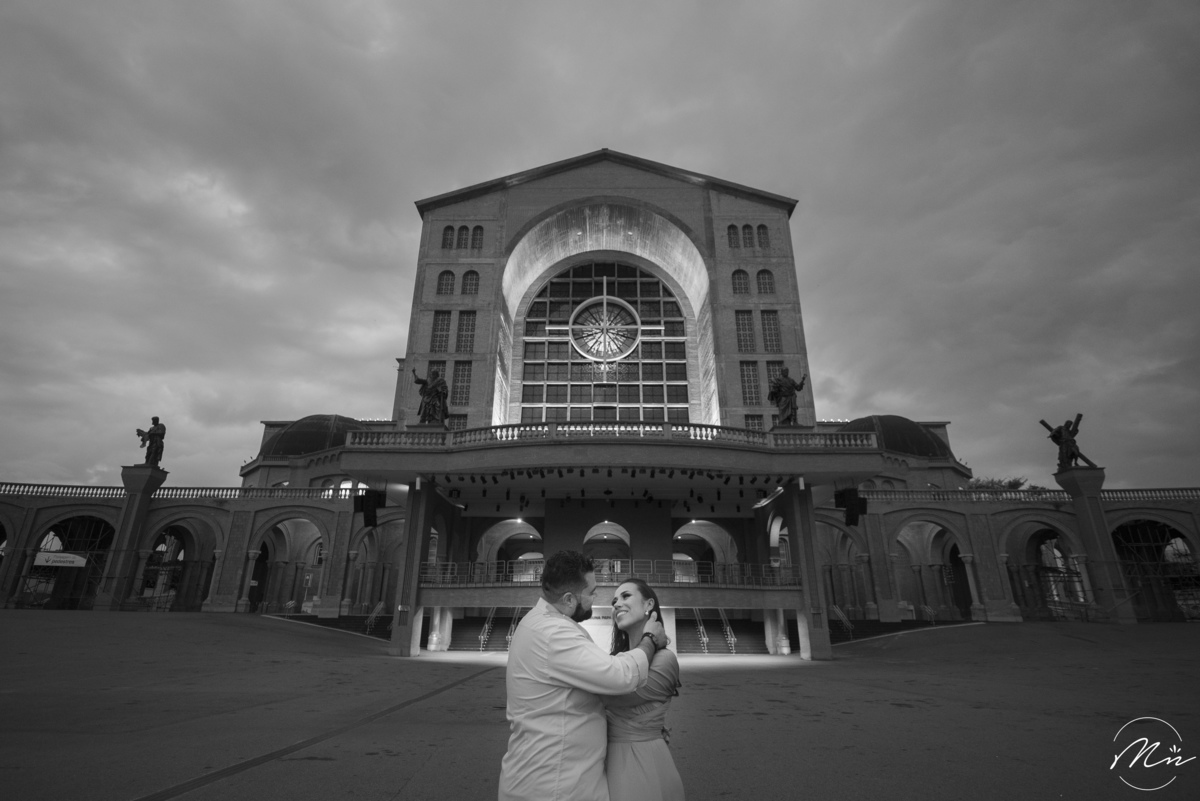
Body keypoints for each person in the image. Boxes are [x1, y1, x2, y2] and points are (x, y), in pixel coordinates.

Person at [499, 551, 670, 801]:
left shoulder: (542, 623)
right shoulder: (553, 632)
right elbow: (620, 676)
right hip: (554, 783)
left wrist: (647, 729)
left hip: (558, 773)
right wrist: (651, 639)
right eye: (591, 592)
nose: (598, 599)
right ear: (569, 599)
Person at [604, 580, 685, 801]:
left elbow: (615, 696)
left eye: (625, 596)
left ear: (649, 604)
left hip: (643, 758)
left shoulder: (665, 659)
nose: (617, 604)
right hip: (608, 760)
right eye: (614, 601)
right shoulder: (615, 662)